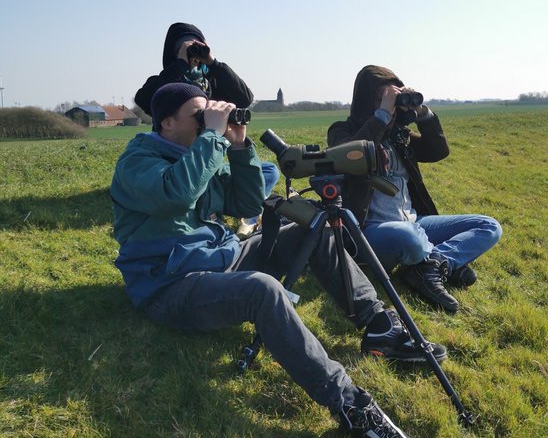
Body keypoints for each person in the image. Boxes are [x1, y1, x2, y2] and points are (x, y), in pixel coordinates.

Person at [111, 82, 447, 437]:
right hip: (169, 284)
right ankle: (348, 404)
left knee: (310, 227)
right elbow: (176, 195)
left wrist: (240, 148)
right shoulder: (137, 163)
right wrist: (212, 137)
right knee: (262, 290)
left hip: (218, 258)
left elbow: (247, 204)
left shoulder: (197, 154)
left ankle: (380, 327)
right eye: (198, 114)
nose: (207, 119)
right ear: (166, 123)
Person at [327, 65, 502, 313]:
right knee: (409, 239)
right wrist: (381, 116)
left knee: (489, 226)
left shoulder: (399, 135)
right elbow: (353, 155)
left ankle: (433, 265)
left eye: (392, 99)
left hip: (414, 222)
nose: (388, 105)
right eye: (380, 99)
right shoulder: (341, 131)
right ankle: (441, 262)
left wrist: (424, 114)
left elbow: (437, 151)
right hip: (369, 230)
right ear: (366, 101)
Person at [134, 21, 278, 235]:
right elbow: (152, 99)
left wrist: (213, 63)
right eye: (186, 47)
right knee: (193, 187)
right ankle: (222, 210)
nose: (194, 52)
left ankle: (245, 214)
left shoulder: (211, 80)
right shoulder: (161, 82)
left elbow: (244, 98)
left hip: (211, 162)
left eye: (198, 46)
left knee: (269, 170)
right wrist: (180, 65)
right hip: (173, 162)